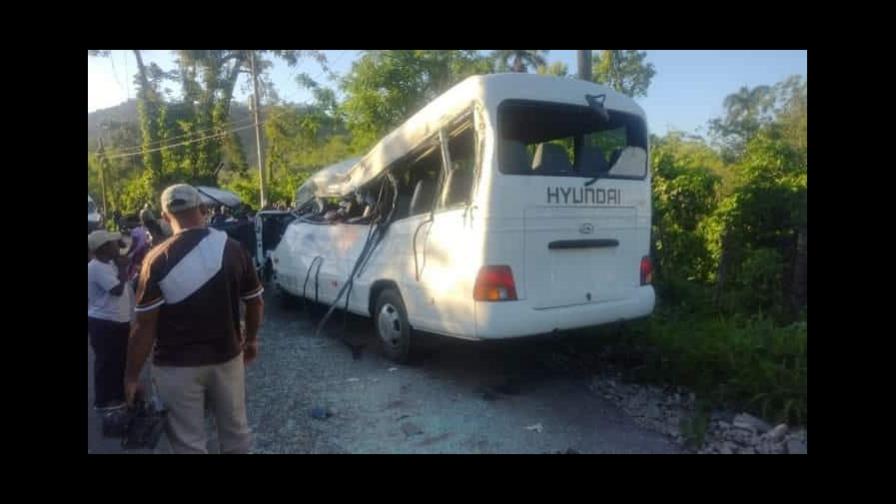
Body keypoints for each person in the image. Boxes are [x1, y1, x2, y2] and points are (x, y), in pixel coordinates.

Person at [125, 184, 265, 454]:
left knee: (188, 443)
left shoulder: (155, 260)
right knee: (236, 435)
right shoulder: (234, 249)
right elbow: (255, 303)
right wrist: (251, 341)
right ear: (203, 209)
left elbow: (143, 329)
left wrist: (131, 376)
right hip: (227, 358)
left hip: (176, 366)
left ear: (165, 218)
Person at [88, 230, 135, 429]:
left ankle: (117, 398)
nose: (118, 245)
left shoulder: (109, 263)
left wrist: (121, 261)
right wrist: (123, 268)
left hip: (117, 321)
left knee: (119, 361)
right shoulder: (95, 268)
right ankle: (103, 401)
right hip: (104, 322)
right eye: (114, 243)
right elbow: (116, 290)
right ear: (103, 248)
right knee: (106, 362)